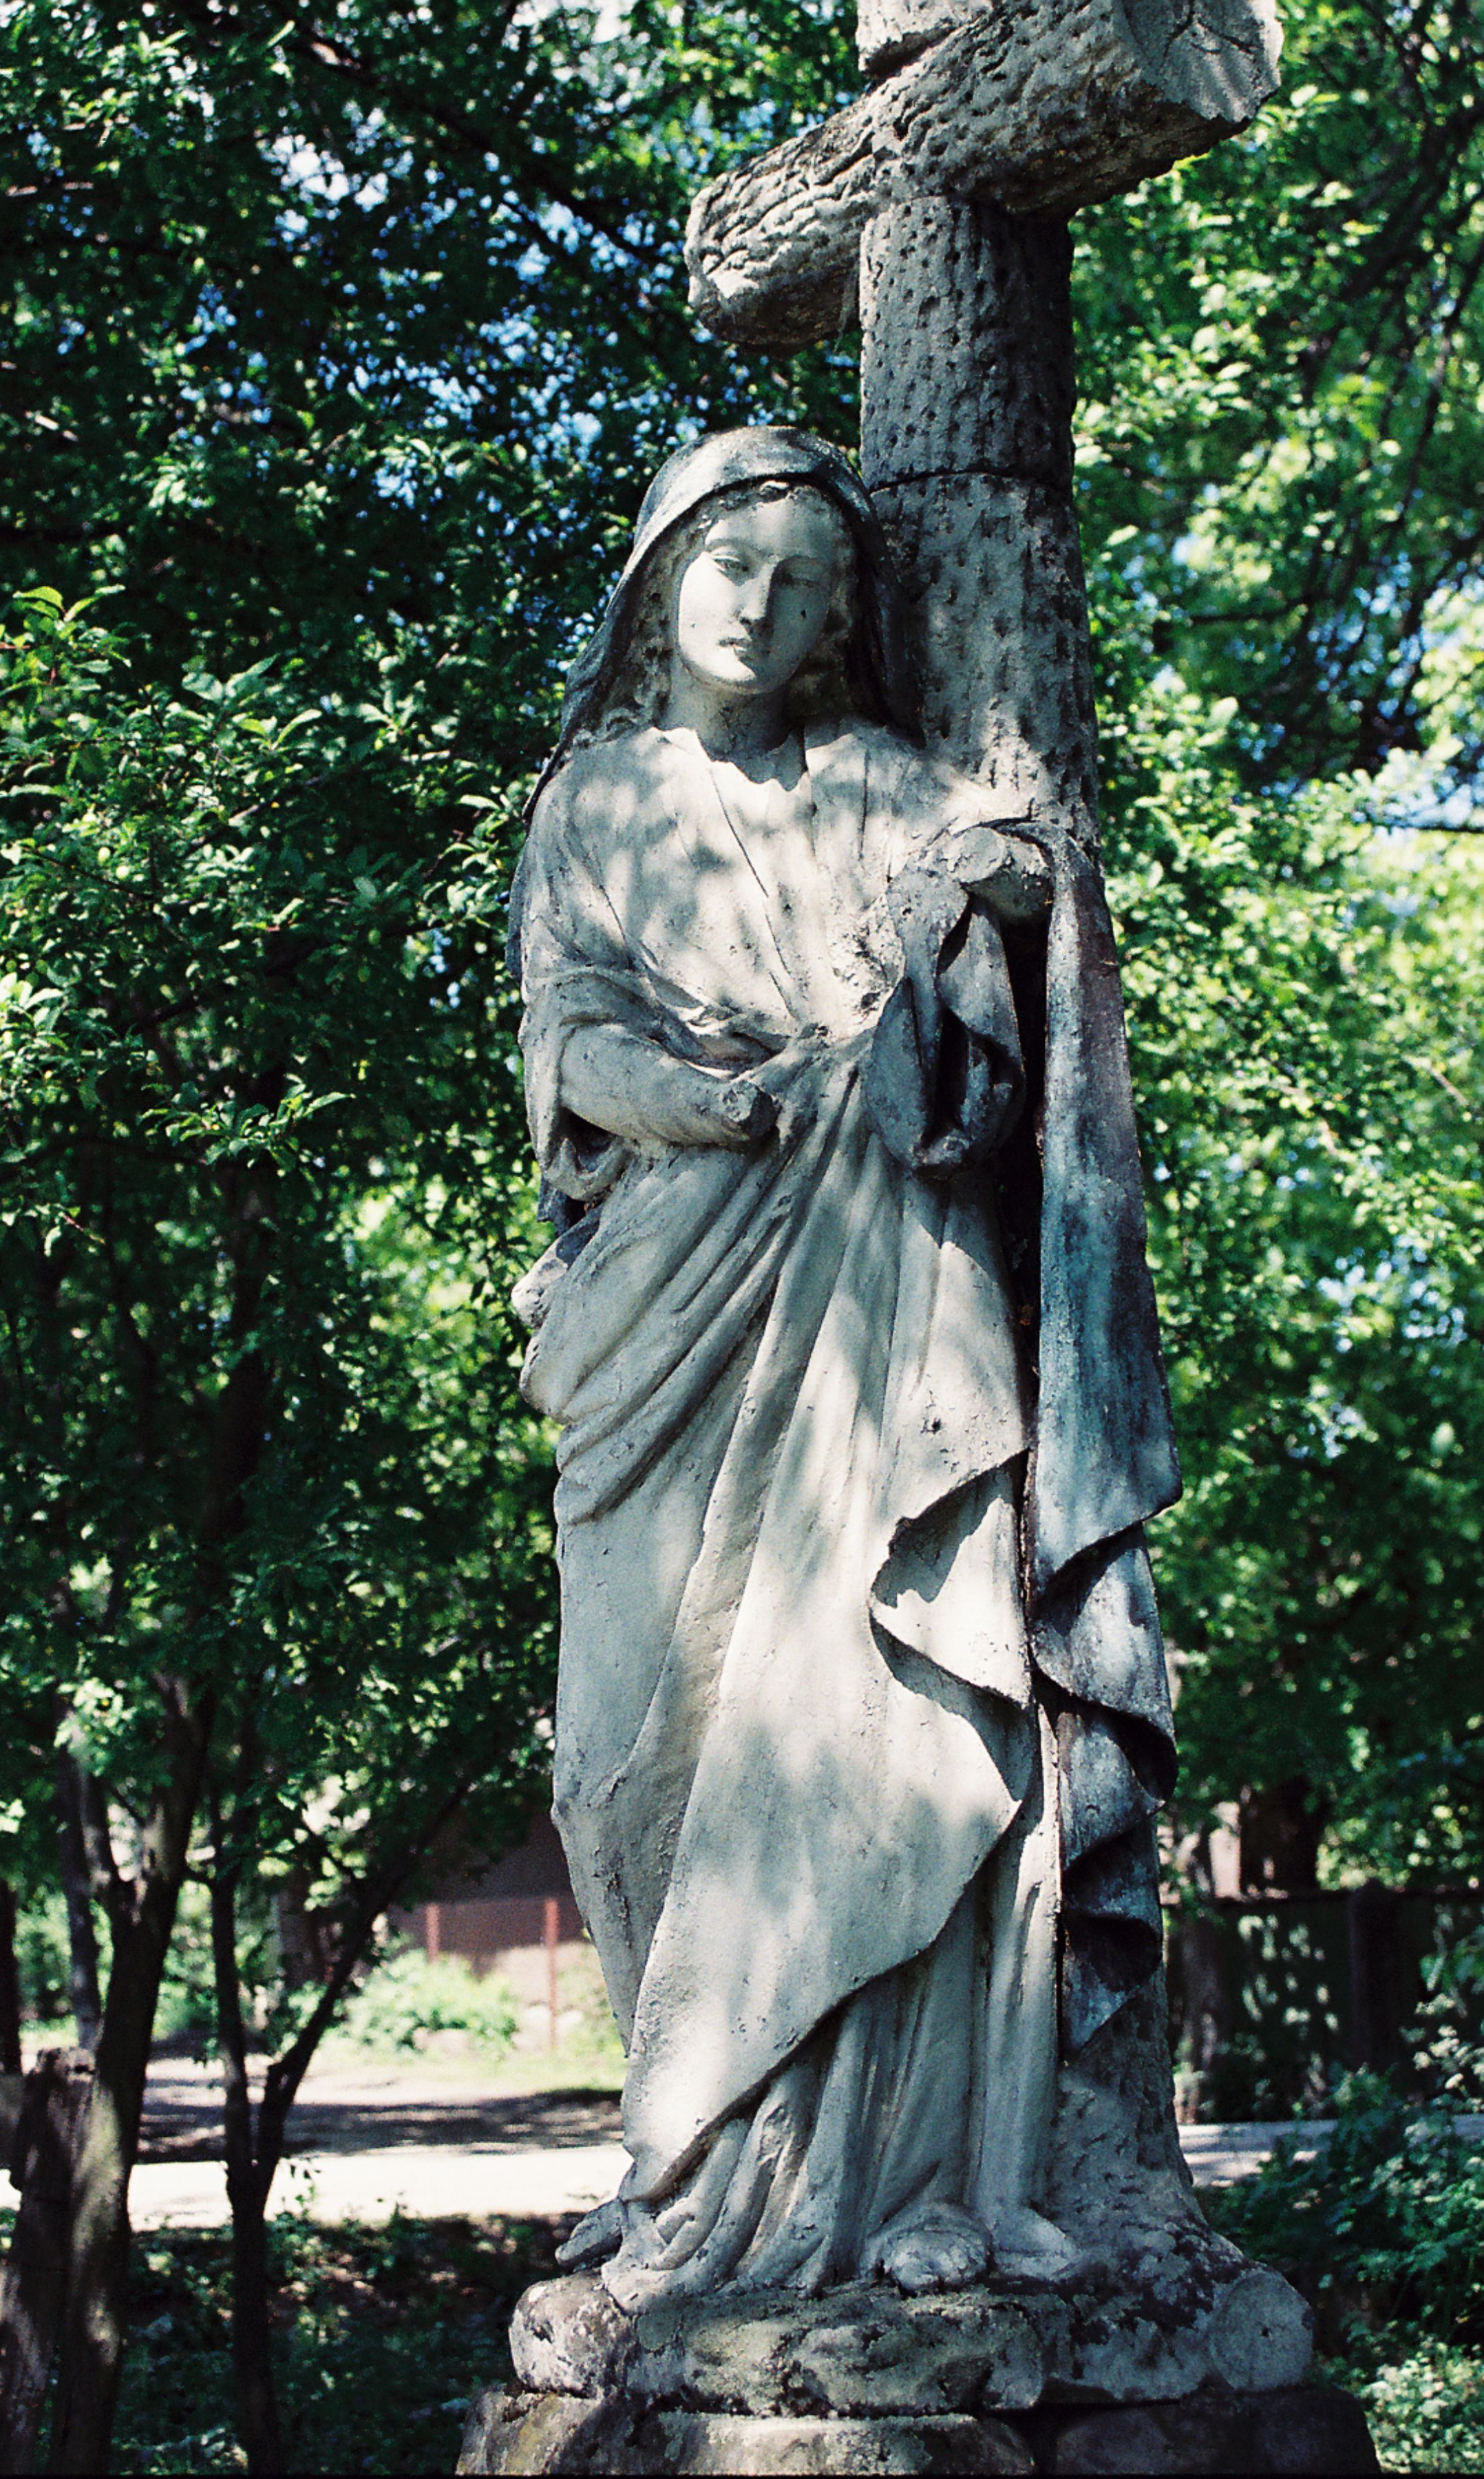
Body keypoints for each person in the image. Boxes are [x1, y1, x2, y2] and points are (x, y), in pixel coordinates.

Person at [509, 428, 1179, 2308]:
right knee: (626, 1746)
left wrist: (995, 876)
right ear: (656, 579)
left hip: (884, 1284)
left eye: (803, 579)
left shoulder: (880, 778)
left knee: (904, 1692)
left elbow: (994, 933)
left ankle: (905, 2174)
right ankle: (687, 2151)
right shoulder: (595, 805)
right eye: (730, 557)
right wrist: (715, 1102)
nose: (758, 599)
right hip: (668, 1300)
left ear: (833, 624)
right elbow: (571, 1050)